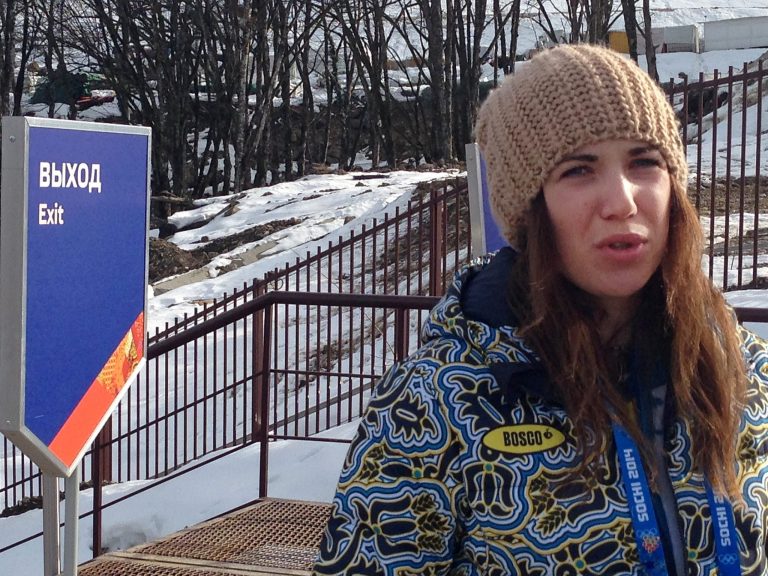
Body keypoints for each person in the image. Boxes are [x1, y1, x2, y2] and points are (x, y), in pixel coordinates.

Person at [312, 44, 768, 575]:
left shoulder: (743, 370)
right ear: (530, 211)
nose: (622, 201)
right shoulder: (438, 403)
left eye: (645, 162)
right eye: (578, 170)